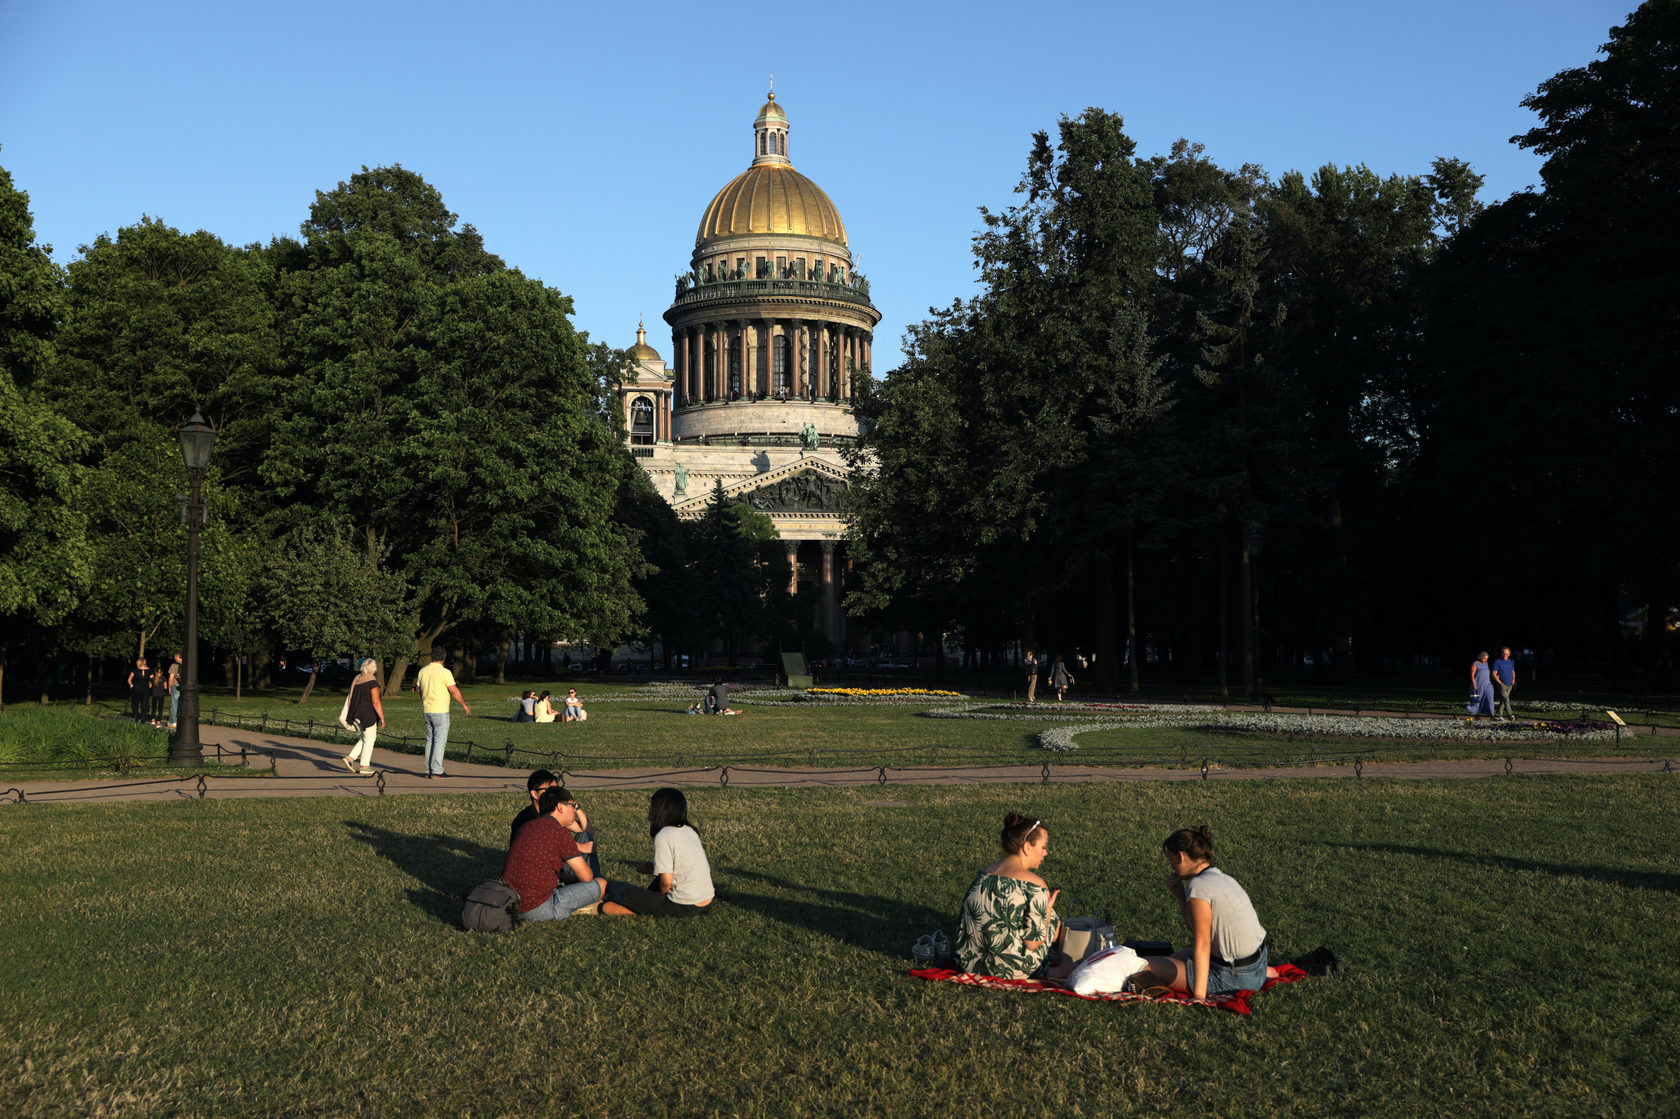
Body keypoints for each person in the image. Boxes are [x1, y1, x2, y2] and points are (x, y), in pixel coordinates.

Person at [1134, 826, 1278, 1000]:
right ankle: (1261, 975)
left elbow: (1203, 944)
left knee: (1143, 966)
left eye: (1171, 860)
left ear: (1180, 857)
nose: (1171, 866)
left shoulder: (1198, 887)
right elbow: (1200, 931)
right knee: (1171, 959)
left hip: (1232, 977)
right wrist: (1180, 898)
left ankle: (1222, 983)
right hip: (1257, 965)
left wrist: (1199, 997)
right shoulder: (1222, 878)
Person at [955, 813, 1062, 979]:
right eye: (1043, 847)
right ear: (1027, 847)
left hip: (968, 963)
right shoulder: (1036, 884)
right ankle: (1057, 962)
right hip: (1011, 970)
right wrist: (1047, 911)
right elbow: (1033, 943)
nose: (1045, 853)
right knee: (1052, 918)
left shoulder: (985, 872)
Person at [601, 788, 714, 918]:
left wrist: (657, 901)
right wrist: (652, 868)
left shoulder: (664, 835)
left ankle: (640, 909)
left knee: (614, 887)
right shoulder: (690, 830)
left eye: (651, 806)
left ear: (660, 810)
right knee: (654, 883)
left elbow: (666, 883)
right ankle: (646, 907)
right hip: (706, 900)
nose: (649, 810)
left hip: (684, 906)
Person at [502, 786, 605, 923]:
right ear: (560, 807)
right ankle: (589, 903)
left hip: (511, 902)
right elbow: (586, 876)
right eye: (572, 805)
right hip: (538, 909)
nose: (575, 809)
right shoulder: (558, 832)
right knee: (601, 883)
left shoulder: (527, 826)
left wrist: (564, 877)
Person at [510, 769, 600, 877]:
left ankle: (594, 881)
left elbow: (587, 831)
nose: (554, 794)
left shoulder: (555, 813)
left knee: (585, 835)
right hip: (538, 867)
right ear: (534, 794)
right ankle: (595, 882)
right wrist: (579, 847)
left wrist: (576, 807)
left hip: (554, 859)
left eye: (556, 789)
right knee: (596, 881)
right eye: (549, 789)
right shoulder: (526, 818)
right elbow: (542, 845)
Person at [416, 646, 471, 778]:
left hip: (427, 710)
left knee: (430, 741)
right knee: (440, 742)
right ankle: (437, 770)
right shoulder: (445, 672)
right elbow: (454, 690)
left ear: (432, 657)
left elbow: (419, 689)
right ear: (444, 658)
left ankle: (429, 769)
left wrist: (424, 698)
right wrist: (464, 705)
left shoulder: (423, 671)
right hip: (440, 711)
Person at [340, 659, 385, 775]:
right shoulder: (372, 683)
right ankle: (365, 766)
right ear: (374, 669)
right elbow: (376, 702)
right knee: (370, 739)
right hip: (367, 715)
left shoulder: (358, 679)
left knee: (365, 738)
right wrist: (382, 718)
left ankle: (350, 759)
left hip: (356, 714)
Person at [1467, 650, 1495, 718]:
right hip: (1478, 685)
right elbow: (1472, 675)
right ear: (1480, 657)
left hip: (1487, 685)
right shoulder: (1475, 664)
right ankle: (1476, 713)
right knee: (1477, 700)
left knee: (1490, 698)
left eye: (1487, 659)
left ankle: (1492, 714)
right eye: (1484, 659)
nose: (1485, 660)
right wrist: (1474, 684)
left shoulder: (1486, 664)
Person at [1492, 647, 1517, 720]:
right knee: (1506, 699)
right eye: (1503, 653)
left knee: (1503, 699)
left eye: (1506, 653)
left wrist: (1513, 680)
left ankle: (1498, 715)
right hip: (1502, 684)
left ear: (1509, 654)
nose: (1504, 655)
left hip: (1510, 684)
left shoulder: (1510, 661)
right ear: (1501, 653)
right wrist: (1499, 682)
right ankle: (1510, 715)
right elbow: (1494, 673)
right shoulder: (1497, 661)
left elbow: (1513, 672)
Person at [127, 659, 151, 723]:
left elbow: (129, 680)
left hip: (136, 689)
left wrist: (131, 686)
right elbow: (152, 680)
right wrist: (150, 685)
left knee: (135, 704)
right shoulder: (149, 670)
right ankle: (143, 719)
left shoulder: (135, 670)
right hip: (146, 690)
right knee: (144, 704)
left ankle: (136, 717)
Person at [166, 651, 182, 731]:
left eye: (175, 656)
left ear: (177, 656)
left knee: (174, 703)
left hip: (175, 686)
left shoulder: (174, 665)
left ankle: (173, 721)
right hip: (184, 686)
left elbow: (171, 678)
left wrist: (169, 686)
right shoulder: (187, 664)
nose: (174, 658)